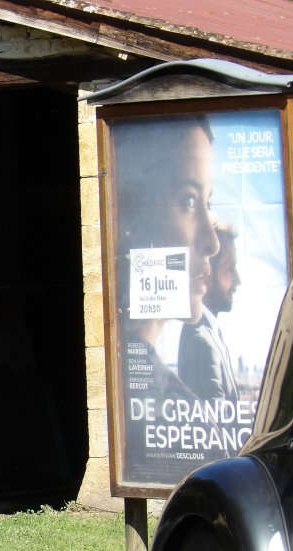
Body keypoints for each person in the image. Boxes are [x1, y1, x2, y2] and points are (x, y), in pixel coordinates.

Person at [113, 115, 222, 483]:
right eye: (189, 200)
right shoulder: (144, 388)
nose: (212, 240)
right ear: (135, 212)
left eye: (208, 201)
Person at [178, 222, 241, 405]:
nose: (238, 281)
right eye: (230, 269)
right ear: (207, 273)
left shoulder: (210, 332)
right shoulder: (201, 341)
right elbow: (215, 427)